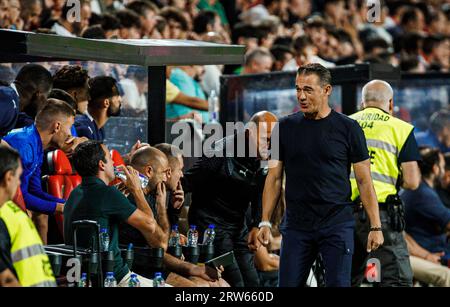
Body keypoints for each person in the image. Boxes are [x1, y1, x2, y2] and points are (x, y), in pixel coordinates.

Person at [258, 63, 383, 287]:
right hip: (297, 226)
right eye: (298, 89)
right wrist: (265, 221)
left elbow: (364, 181)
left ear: (326, 90)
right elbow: (274, 177)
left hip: (336, 224)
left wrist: (376, 226)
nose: (301, 96)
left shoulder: (349, 128)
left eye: (308, 89)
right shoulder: (283, 128)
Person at [183, 111, 278, 287]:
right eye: (266, 139)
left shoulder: (265, 157)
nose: (270, 145)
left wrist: (257, 224)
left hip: (237, 226)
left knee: (253, 283)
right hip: (211, 226)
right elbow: (188, 181)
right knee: (236, 284)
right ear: (250, 132)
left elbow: (260, 192)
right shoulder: (220, 152)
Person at [119, 146, 225, 286]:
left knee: (219, 284)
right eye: (165, 172)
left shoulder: (153, 195)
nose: (168, 176)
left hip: (153, 266)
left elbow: (162, 242)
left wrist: (173, 211)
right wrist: (162, 208)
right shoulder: (134, 199)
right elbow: (160, 246)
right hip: (140, 269)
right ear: (149, 171)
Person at [349, 80, 421, 287]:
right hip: (381, 219)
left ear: (362, 103)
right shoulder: (400, 128)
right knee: (395, 279)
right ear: (390, 103)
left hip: (343, 215)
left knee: (345, 278)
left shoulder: (346, 124)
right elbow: (412, 181)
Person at [64, 140, 160, 287]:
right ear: (102, 165)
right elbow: (150, 225)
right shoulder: (107, 193)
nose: (114, 164)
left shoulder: (75, 193)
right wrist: (137, 190)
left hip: (85, 276)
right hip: (115, 278)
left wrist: (119, 197)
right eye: (109, 158)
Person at [4, 99, 75, 243]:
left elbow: (35, 191)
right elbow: (21, 197)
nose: (71, 134)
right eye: (70, 127)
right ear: (57, 127)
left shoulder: (37, 145)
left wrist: (69, 204)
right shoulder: (25, 147)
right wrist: (61, 207)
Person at [0, 145, 56, 287]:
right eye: (18, 177)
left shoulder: (10, 210)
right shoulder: (4, 217)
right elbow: (6, 280)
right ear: (8, 178)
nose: (19, 183)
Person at [401, 147, 450, 266]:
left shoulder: (423, 189)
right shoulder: (423, 194)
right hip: (433, 253)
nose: (444, 171)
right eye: (442, 166)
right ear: (435, 169)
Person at [0, 64, 52, 144]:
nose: (45, 104)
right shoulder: (7, 100)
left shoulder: (10, 100)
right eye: (46, 97)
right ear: (38, 95)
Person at [74, 76, 121, 141]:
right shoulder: (84, 129)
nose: (120, 99)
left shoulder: (99, 129)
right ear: (106, 103)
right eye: (117, 95)